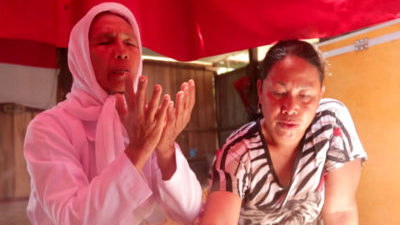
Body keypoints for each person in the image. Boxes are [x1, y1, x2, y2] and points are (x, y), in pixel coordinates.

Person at [24, 2, 202, 225]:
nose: (121, 52)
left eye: (130, 43)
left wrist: (166, 151)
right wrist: (137, 150)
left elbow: (191, 211)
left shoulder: (146, 122)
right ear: (81, 56)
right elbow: (72, 219)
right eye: (105, 42)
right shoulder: (49, 127)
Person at [201, 40, 367, 225]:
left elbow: (340, 211)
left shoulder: (331, 125)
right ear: (260, 91)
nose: (291, 107)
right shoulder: (238, 153)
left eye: (304, 95)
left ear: (320, 95)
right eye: (279, 92)